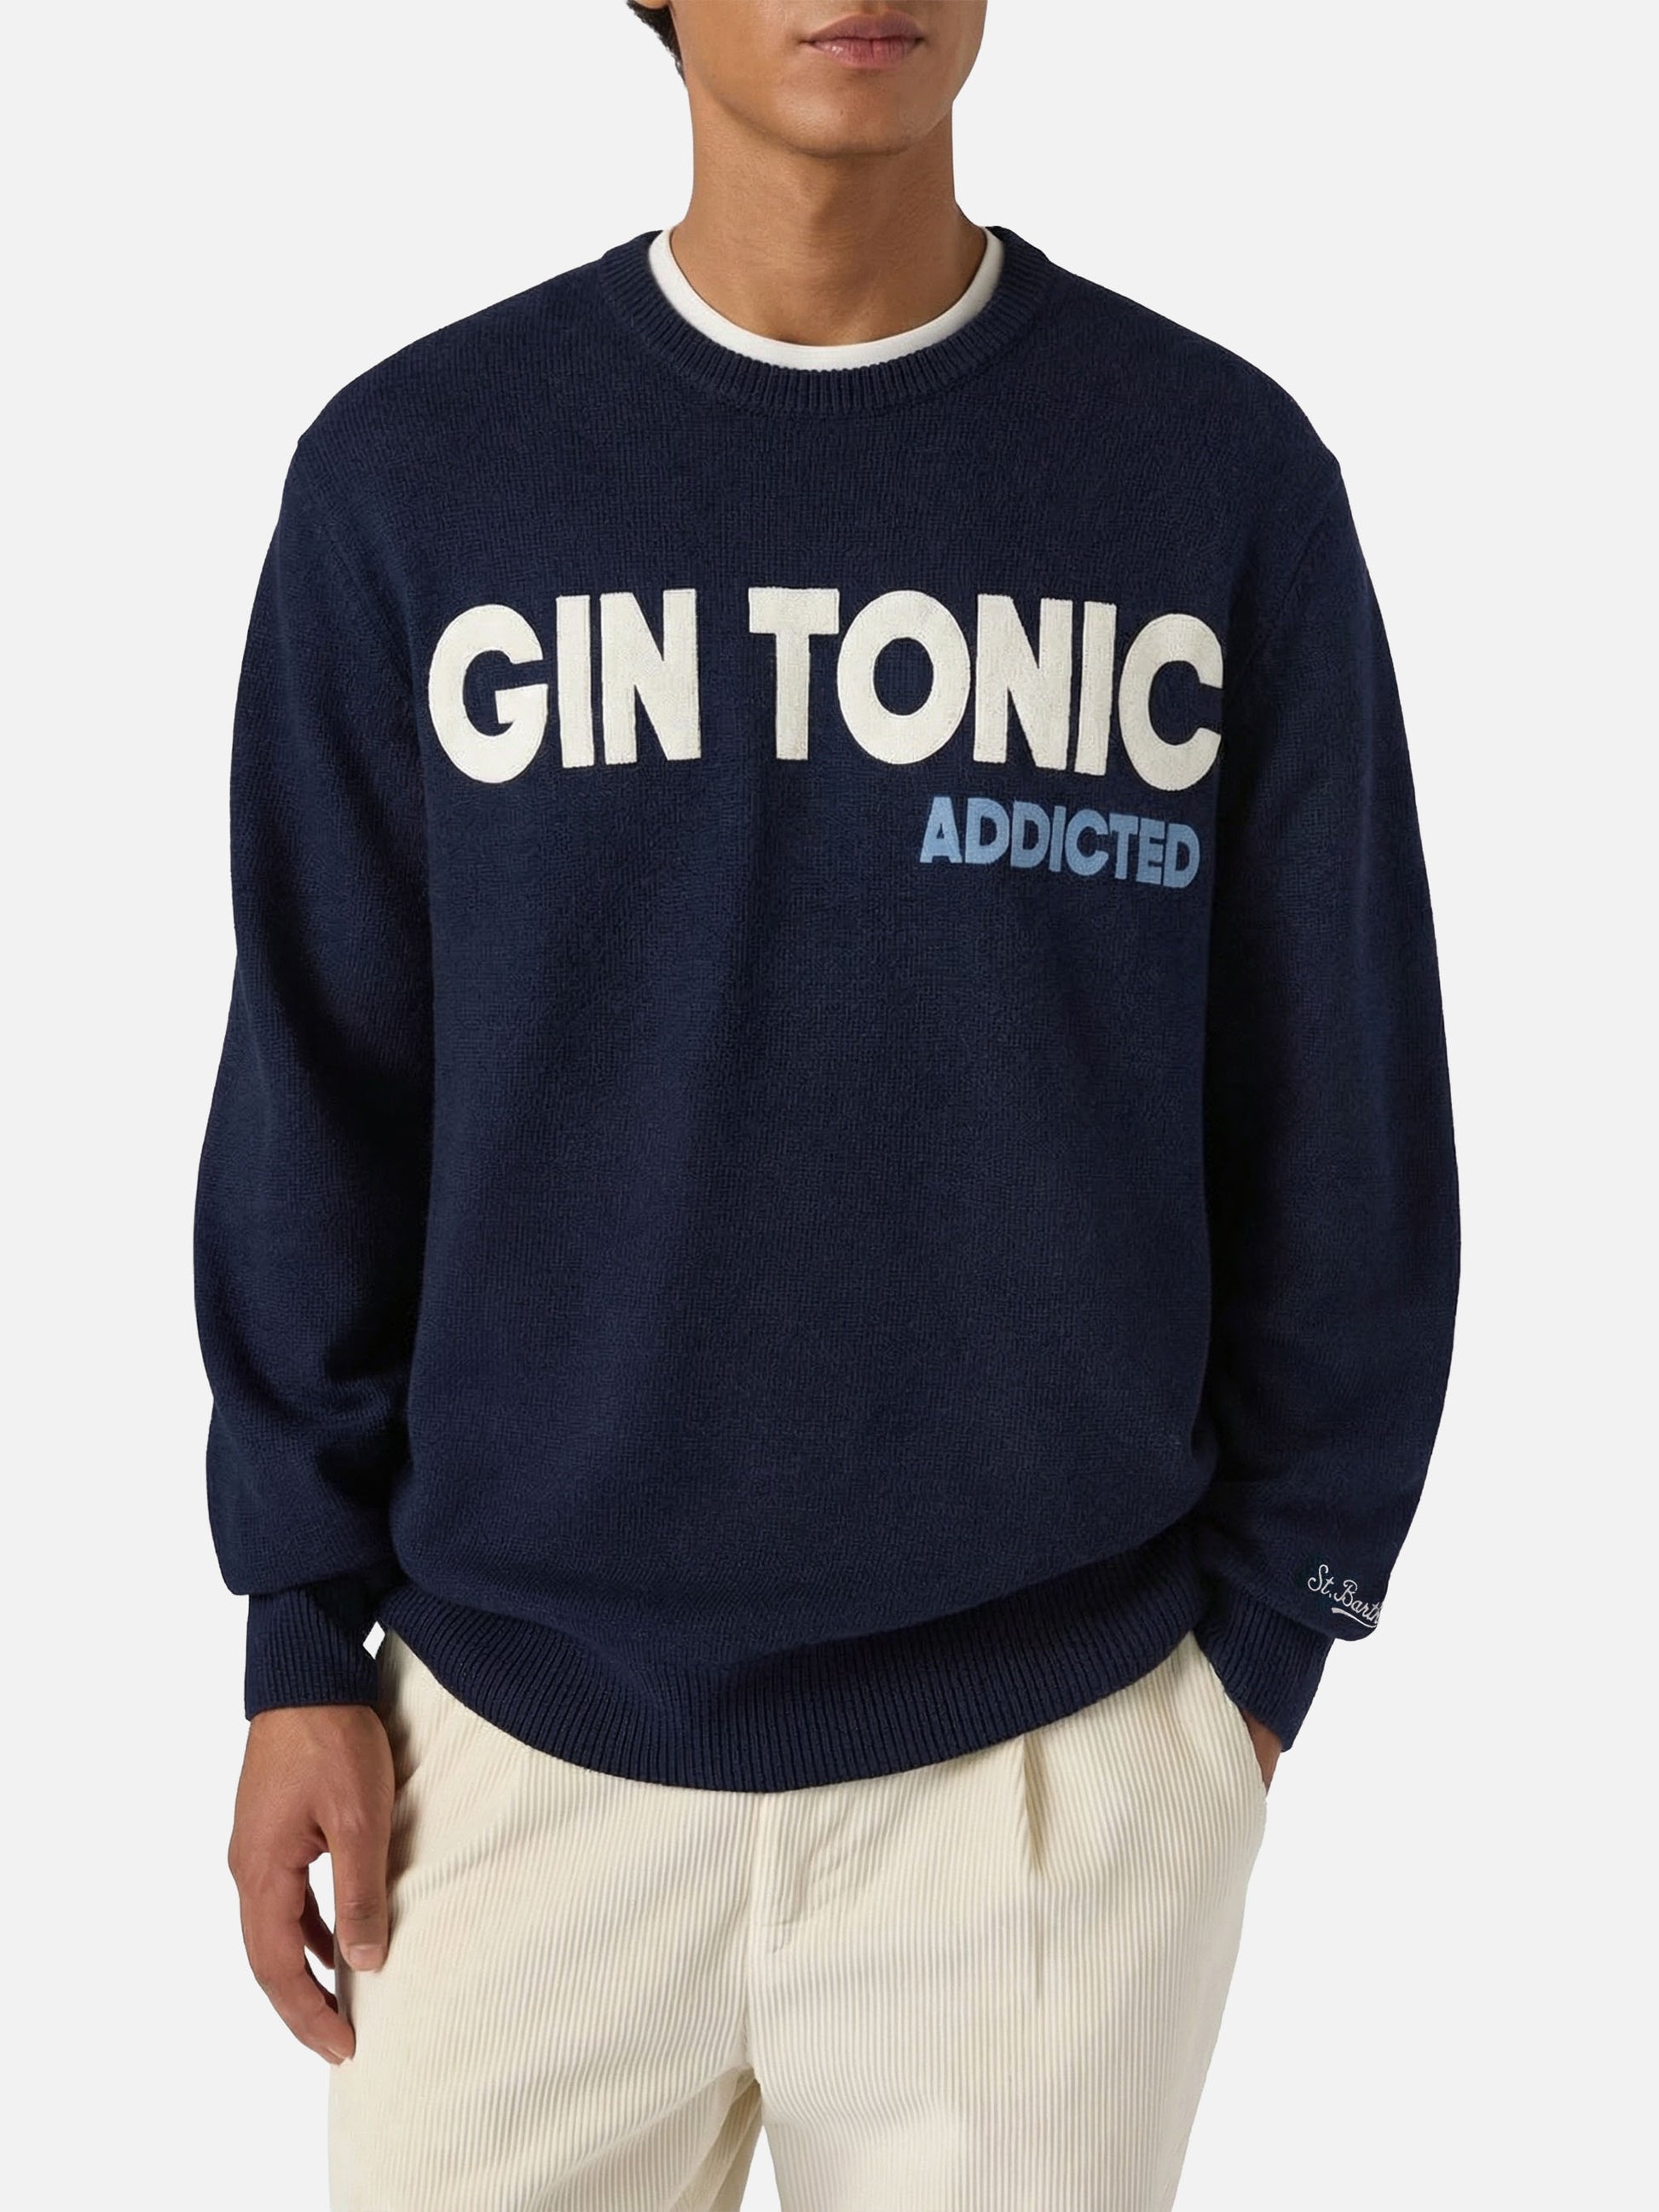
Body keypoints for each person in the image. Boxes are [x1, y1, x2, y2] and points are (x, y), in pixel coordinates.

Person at [198, 5, 1460, 2207]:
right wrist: (297, 1638)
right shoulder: (420, 475)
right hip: (502, 1758)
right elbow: (323, 1094)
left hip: (1051, 1768)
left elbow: (1340, 1107)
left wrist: (1256, 1663)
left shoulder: (1211, 476)